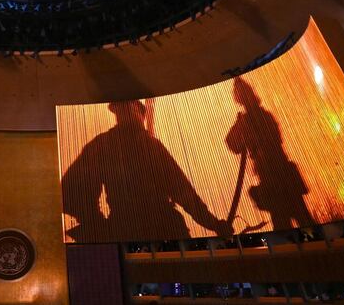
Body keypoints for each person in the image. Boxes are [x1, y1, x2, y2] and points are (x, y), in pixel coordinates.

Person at [61, 100, 232, 241]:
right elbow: (70, 191)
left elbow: (182, 191)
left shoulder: (108, 145)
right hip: (146, 230)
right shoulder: (106, 145)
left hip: (148, 230)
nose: (130, 111)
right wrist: (97, 224)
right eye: (128, 107)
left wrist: (214, 224)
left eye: (133, 107)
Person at [225, 78, 313, 230]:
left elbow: (234, 145)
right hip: (278, 180)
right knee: (296, 223)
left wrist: (241, 126)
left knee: (292, 225)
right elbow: (233, 145)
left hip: (277, 179)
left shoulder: (254, 119)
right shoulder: (257, 118)